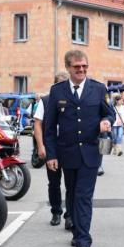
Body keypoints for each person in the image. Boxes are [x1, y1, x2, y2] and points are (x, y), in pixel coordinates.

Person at [43, 50, 115, 247]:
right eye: (77, 67)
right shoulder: (57, 91)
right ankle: (77, 231)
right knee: (72, 194)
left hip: (91, 153)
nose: (81, 70)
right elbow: (49, 127)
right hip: (67, 153)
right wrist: (51, 155)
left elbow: (109, 112)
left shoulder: (98, 89)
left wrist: (107, 121)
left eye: (84, 66)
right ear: (68, 68)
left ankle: (83, 241)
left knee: (84, 196)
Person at [33, 73, 73, 230]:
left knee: (72, 184)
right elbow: (37, 124)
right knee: (54, 183)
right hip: (52, 147)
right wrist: (41, 146)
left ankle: (70, 215)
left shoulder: (72, 98)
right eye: (61, 84)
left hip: (69, 147)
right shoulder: (46, 100)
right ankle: (56, 211)